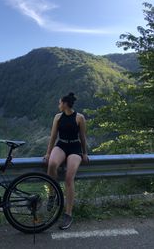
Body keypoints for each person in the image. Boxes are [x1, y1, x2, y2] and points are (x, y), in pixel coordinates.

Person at [43, 92, 89, 230]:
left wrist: (85, 153)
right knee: (51, 164)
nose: (58, 105)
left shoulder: (80, 118)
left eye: (59, 103)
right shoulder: (58, 117)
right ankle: (52, 194)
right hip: (61, 145)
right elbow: (52, 137)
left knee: (69, 178)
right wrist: (47, 153)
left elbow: (83, 137)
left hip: (75, 147)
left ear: (64, 104)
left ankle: (68, 214)